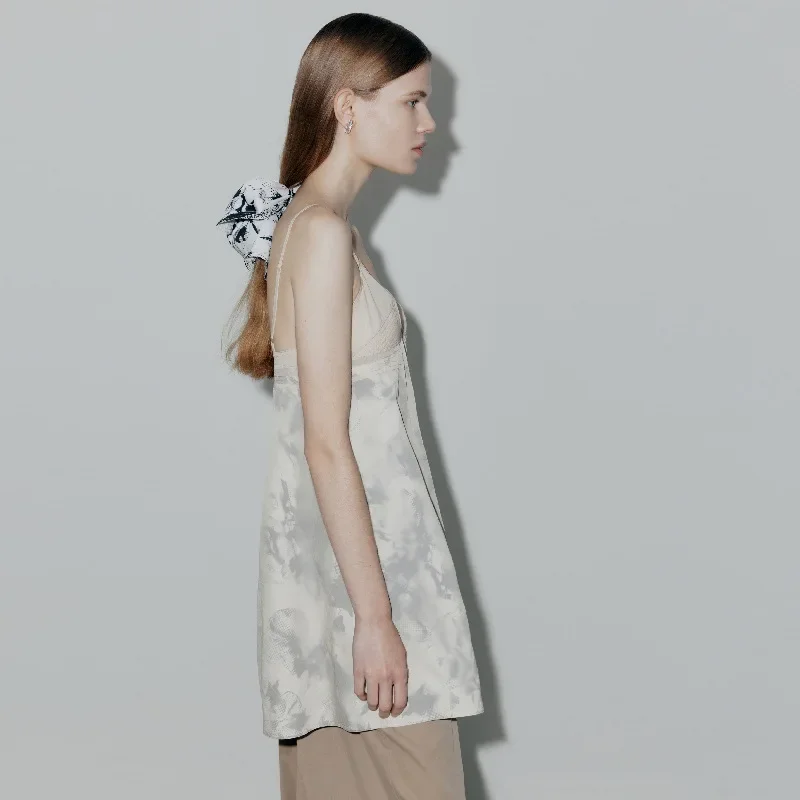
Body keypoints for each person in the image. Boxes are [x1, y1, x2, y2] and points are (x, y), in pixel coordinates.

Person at [216, 13, 483, 799]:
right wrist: (375, 618)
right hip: (368, 581)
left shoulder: (311, 225)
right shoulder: (323, 233)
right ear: (347, 106)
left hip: (349, 573)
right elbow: (326, 443)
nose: (429, 124)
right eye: (413, 101)